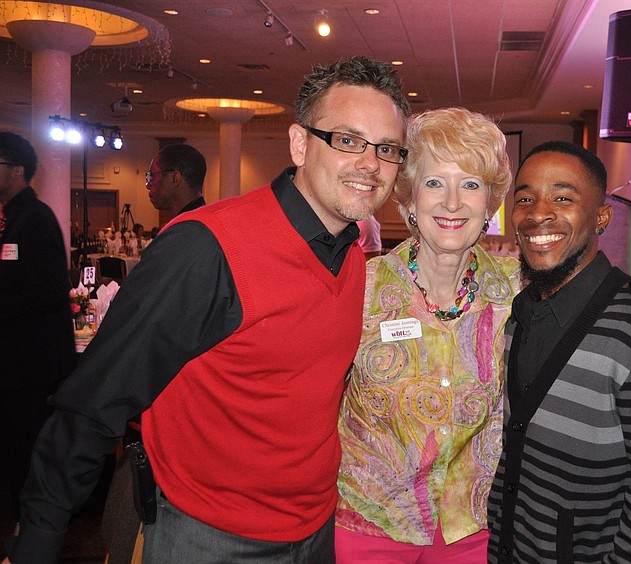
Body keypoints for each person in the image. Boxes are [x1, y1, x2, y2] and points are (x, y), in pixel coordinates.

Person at [3, 55, 410, 564]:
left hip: (317, 528)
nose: (370, 164)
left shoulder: (352, 258)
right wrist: (38, 539)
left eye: (387, 148)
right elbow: (95, 400)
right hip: (208, 537)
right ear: (300, 143)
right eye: (347, 140)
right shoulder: (207, 246)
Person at [486, 140, 631, 563]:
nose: (538, 213)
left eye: (562, 198)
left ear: (601, 217)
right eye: (525, 198)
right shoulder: (518, 316)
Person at [336, 107, 522, 563]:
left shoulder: (518, 292)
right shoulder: (360, 288)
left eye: (471, 184)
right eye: (435, 182)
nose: (452, 202)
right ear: (409, 198)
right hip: (370, 523)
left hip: (472, 529)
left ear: (490, 203)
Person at [0, 132, 75, 530]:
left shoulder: (34, 219)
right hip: (21, 365)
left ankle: (31, 538)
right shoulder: (15, 218)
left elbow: (49, 292)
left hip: (33, 368)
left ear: (16, 171)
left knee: (29, 458)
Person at [145, 143, 207, 217]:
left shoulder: (189, 223)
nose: (148, 185)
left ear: (174, 178)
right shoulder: (207, 218)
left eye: (153, 176)